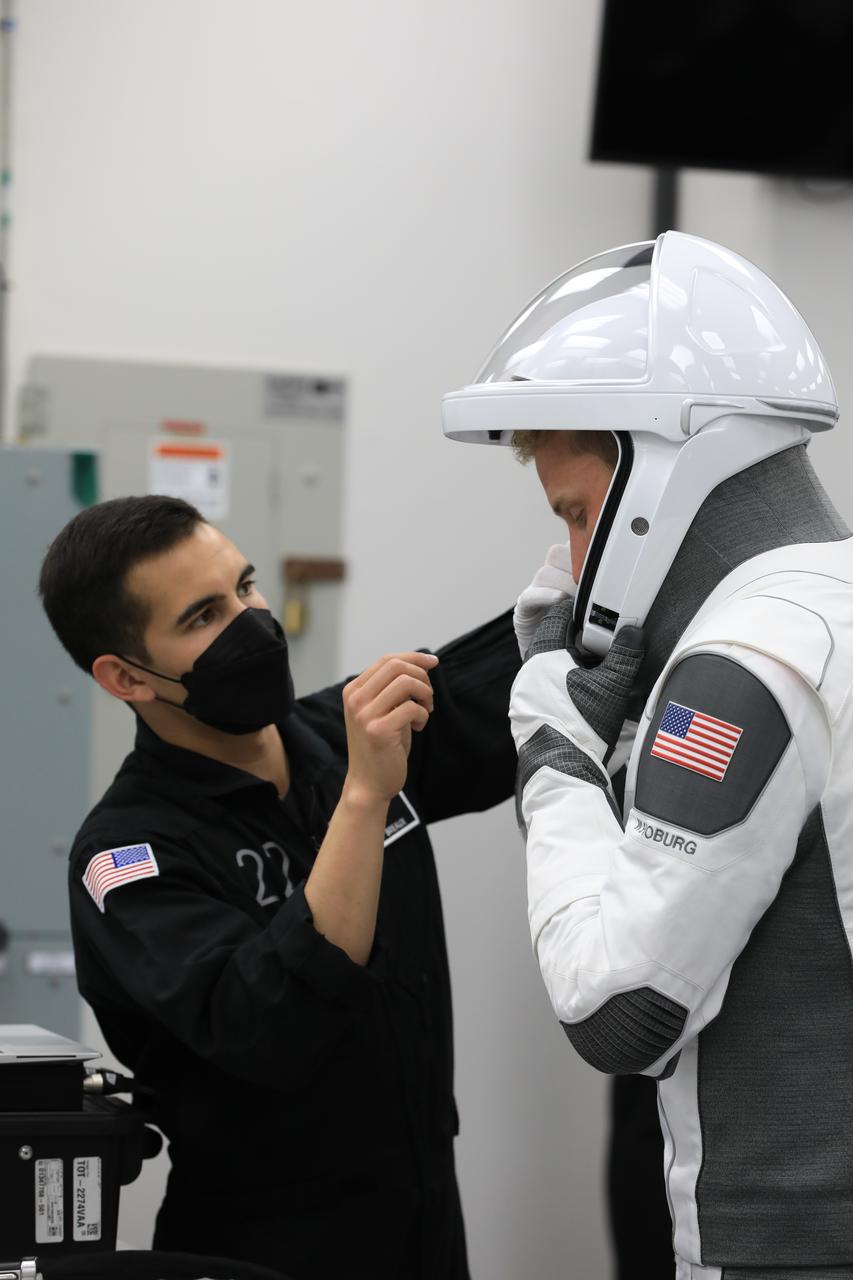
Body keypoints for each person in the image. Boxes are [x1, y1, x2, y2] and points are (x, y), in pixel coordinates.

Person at [442, 230, 853, 1279]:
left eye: (577, 515)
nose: (570, 564)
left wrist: (555, 755)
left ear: (666, 473)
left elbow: (622, 1009)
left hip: (788, 1245)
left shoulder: (744, 665)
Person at [38, 494, 525, 1280]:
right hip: (267, 1249)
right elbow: (273, 1021)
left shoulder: (341, 736)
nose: (251, 623)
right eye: (202, 616)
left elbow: (528, 677)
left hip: (423, 1216)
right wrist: (363, 801)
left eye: (245, 586)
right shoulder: (129, 855)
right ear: (126, 675)